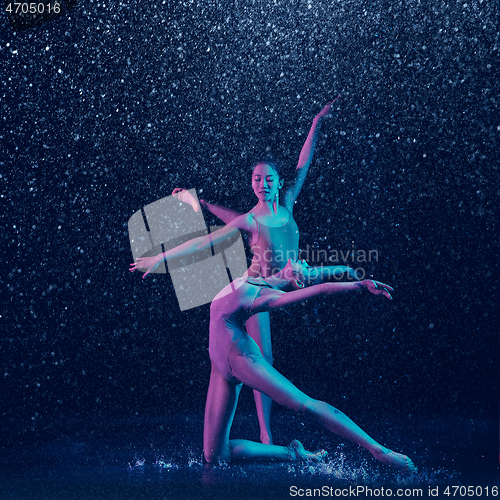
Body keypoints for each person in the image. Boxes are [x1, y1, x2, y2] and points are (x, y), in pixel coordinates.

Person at [130, 100, 358, 446]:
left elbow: (304, 162)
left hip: (286, 282)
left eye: (268, 179)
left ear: (280, 183)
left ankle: (262, 430)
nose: (262, 184)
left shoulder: (288, 203)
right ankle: (266, 434)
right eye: (256, 179)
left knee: (269, 351)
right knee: (262, 357)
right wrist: (160, 259)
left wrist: (316, 122)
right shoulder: (250, 219)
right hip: (257, 290)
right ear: (251, 183)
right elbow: (205, 241)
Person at [203, 258, 416, 473]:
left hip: (238, 355)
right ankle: (291, 453)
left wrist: (360, 285)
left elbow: (322, 289)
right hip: (218, 362)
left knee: (304, 405)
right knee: (214, 455)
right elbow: (321, 275)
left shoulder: (266, 296)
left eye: (306, 269)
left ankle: (379, 450)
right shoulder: (256, 278)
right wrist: (347, 270)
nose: (304, 261)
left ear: (300, 282)